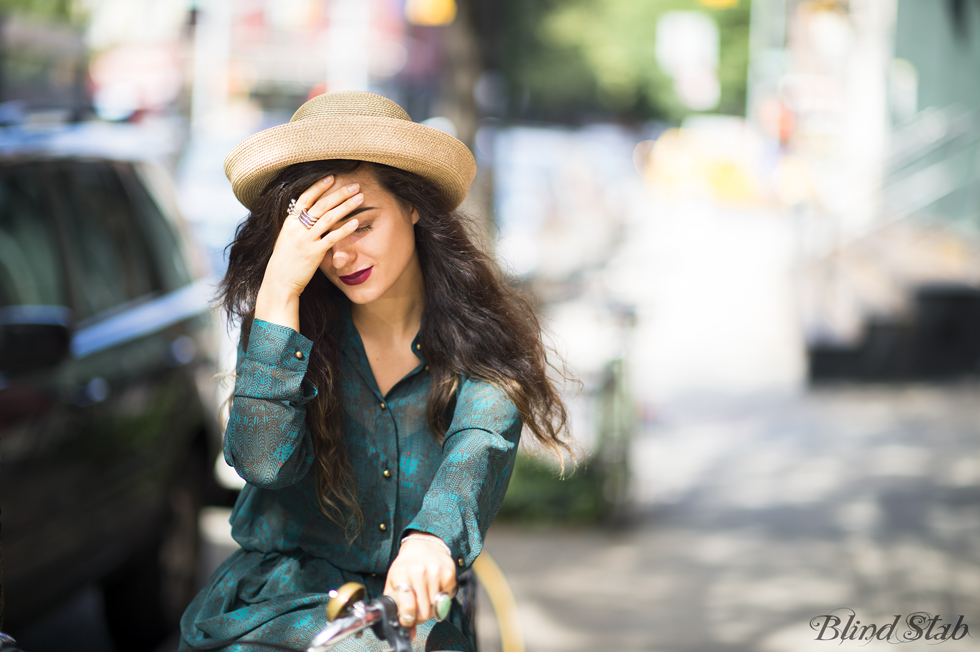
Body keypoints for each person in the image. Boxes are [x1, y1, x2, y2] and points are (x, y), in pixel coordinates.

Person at [179, 91, 570, 652]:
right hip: (275, 614)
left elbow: (476, 455)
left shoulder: (483, 342)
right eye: (322, 235)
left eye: (360, 225)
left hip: (410, 616)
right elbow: (263, 463)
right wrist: (280, 290)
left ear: (412, 206)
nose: (341, 257)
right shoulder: (289, 326)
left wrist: (432, 542)